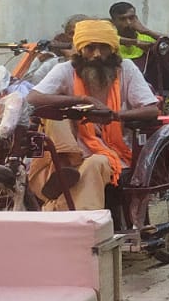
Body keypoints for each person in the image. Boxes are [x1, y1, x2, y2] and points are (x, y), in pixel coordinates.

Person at [26, 19, 160, 211]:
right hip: (73, 150)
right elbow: (33, 97)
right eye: (90, 48)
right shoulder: (65, 70)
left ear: (113, 49)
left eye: (103, 47)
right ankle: (65, 166)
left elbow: (152, 109)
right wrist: (82, 99)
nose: (97, 54)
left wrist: (114, 116)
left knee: (95, 164)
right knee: (53, 115)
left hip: (112, 150)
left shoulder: (126, 68)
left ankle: (71, 218)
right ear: (80, 50)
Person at [108, 1, 169, 94]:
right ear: (113, 22)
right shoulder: (109, 41)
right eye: (122, 19)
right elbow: (110, 38)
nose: (128, 23)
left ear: (136, 18)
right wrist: (136, 43)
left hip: (146, 88)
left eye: (131, 18)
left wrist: (147, 31)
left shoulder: (145, 37)